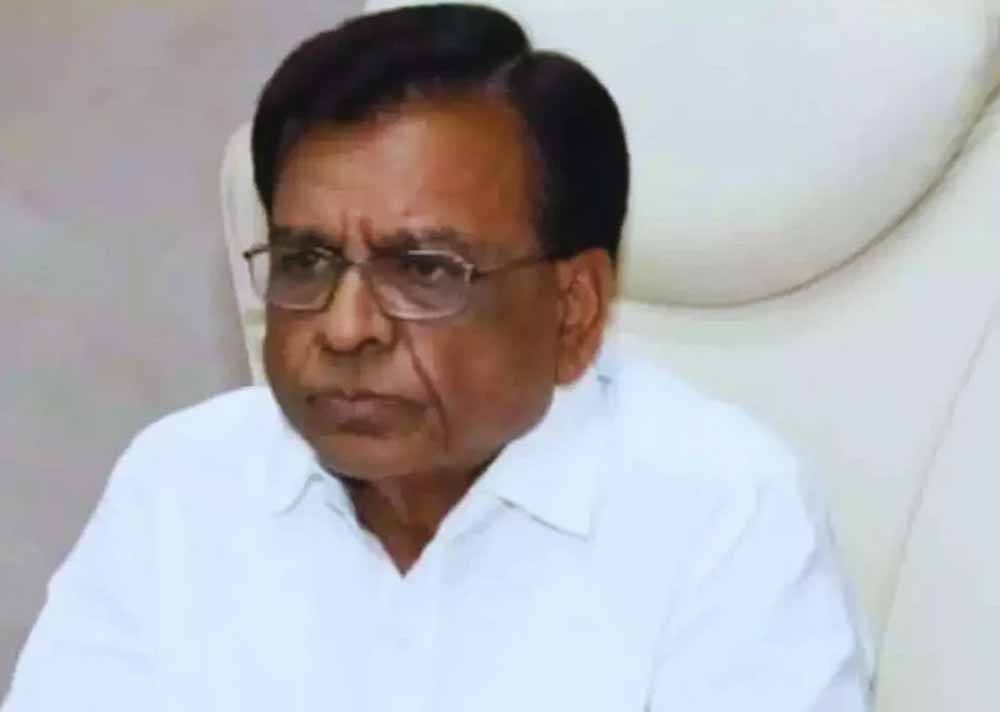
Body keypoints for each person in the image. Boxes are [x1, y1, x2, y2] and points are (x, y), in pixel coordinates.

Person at [3, 4, 871, 710]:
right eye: (306, 261)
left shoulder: (722, 512)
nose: (346, 329)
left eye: (423, 271)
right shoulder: (182, 484)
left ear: (574, 310)